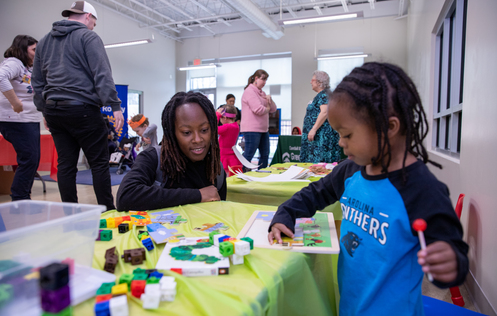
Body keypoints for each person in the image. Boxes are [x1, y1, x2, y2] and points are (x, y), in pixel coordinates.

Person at [268, 63, 469, 315]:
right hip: (351, 305)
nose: (341, 144)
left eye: (348, 135)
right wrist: (285, 213)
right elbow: (315, 193)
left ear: (389, 127)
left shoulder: (422, 189)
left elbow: (453, 257)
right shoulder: (351, 170)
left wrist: (449, 263)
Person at [32, 1, 124, 211]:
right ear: (87, 17)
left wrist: (43, 109)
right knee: (99, 164)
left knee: (66, 164)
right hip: (82, 109)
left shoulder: (44, 41)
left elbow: (37, 81)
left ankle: (71, 214)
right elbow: (102, 73)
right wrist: (114, 105)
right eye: (94, 22)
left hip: (54, 110)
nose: (93, 26)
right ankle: (107, 212)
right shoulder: (88, 36)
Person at [116, 91, 226, 212]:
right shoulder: (154, 158)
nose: (197, 139)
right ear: (172, 133)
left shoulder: (216, 170)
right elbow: (126, 196)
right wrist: (197, 195)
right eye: (187, 132)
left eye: (204, 130)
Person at [0, 35, 41, 201]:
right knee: (29, 158)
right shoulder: (14, 63)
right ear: (23, 49)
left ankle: (22, 196)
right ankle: (19, 198)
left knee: (32, 159)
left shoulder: (27, 67)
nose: (36, 53)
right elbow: (0, 77)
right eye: (33, 50)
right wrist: (15, 102)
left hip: (29, 119)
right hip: (15, 119)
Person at [300, 70, 341, 163]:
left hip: (321, 136)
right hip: (318, 135)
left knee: (320, 163)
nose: (311, 82)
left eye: (312, 80)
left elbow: (324, 112)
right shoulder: (322, 95)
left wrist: (313, 129)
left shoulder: (324, 95)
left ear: (319, 82)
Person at [240, 69, 277, 169]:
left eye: (266, 80)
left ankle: (262, 176)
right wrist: (267, 108)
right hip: (252, 129)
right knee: (249, 155)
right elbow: (258, 109)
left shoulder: (262, 93)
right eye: (263, 79)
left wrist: (270, 99)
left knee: (265, 155)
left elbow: (273, 109)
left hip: (263, 129)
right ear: (256, 78)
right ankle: (243, 176)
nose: (265, 82)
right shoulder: (249, 91)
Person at [216, 104, 242, 175]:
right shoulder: (236, 126)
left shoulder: (227, 127)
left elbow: (213, 129)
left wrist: (217, 115)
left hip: (224, 155)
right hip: (231, 155)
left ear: (224, 117)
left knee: (224, 176)